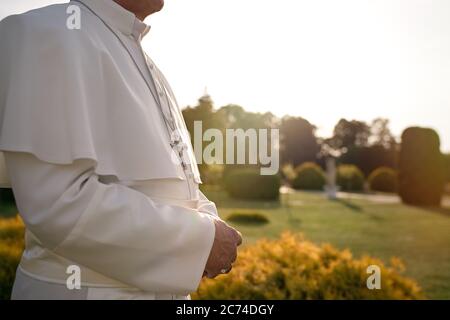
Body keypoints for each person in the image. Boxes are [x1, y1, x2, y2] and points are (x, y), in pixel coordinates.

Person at [0, 0, 242, 300]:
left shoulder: (143, 59)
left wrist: (210, 222)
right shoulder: (48, 33)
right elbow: (58, 203)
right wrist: (202, 240)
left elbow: (173, 186)